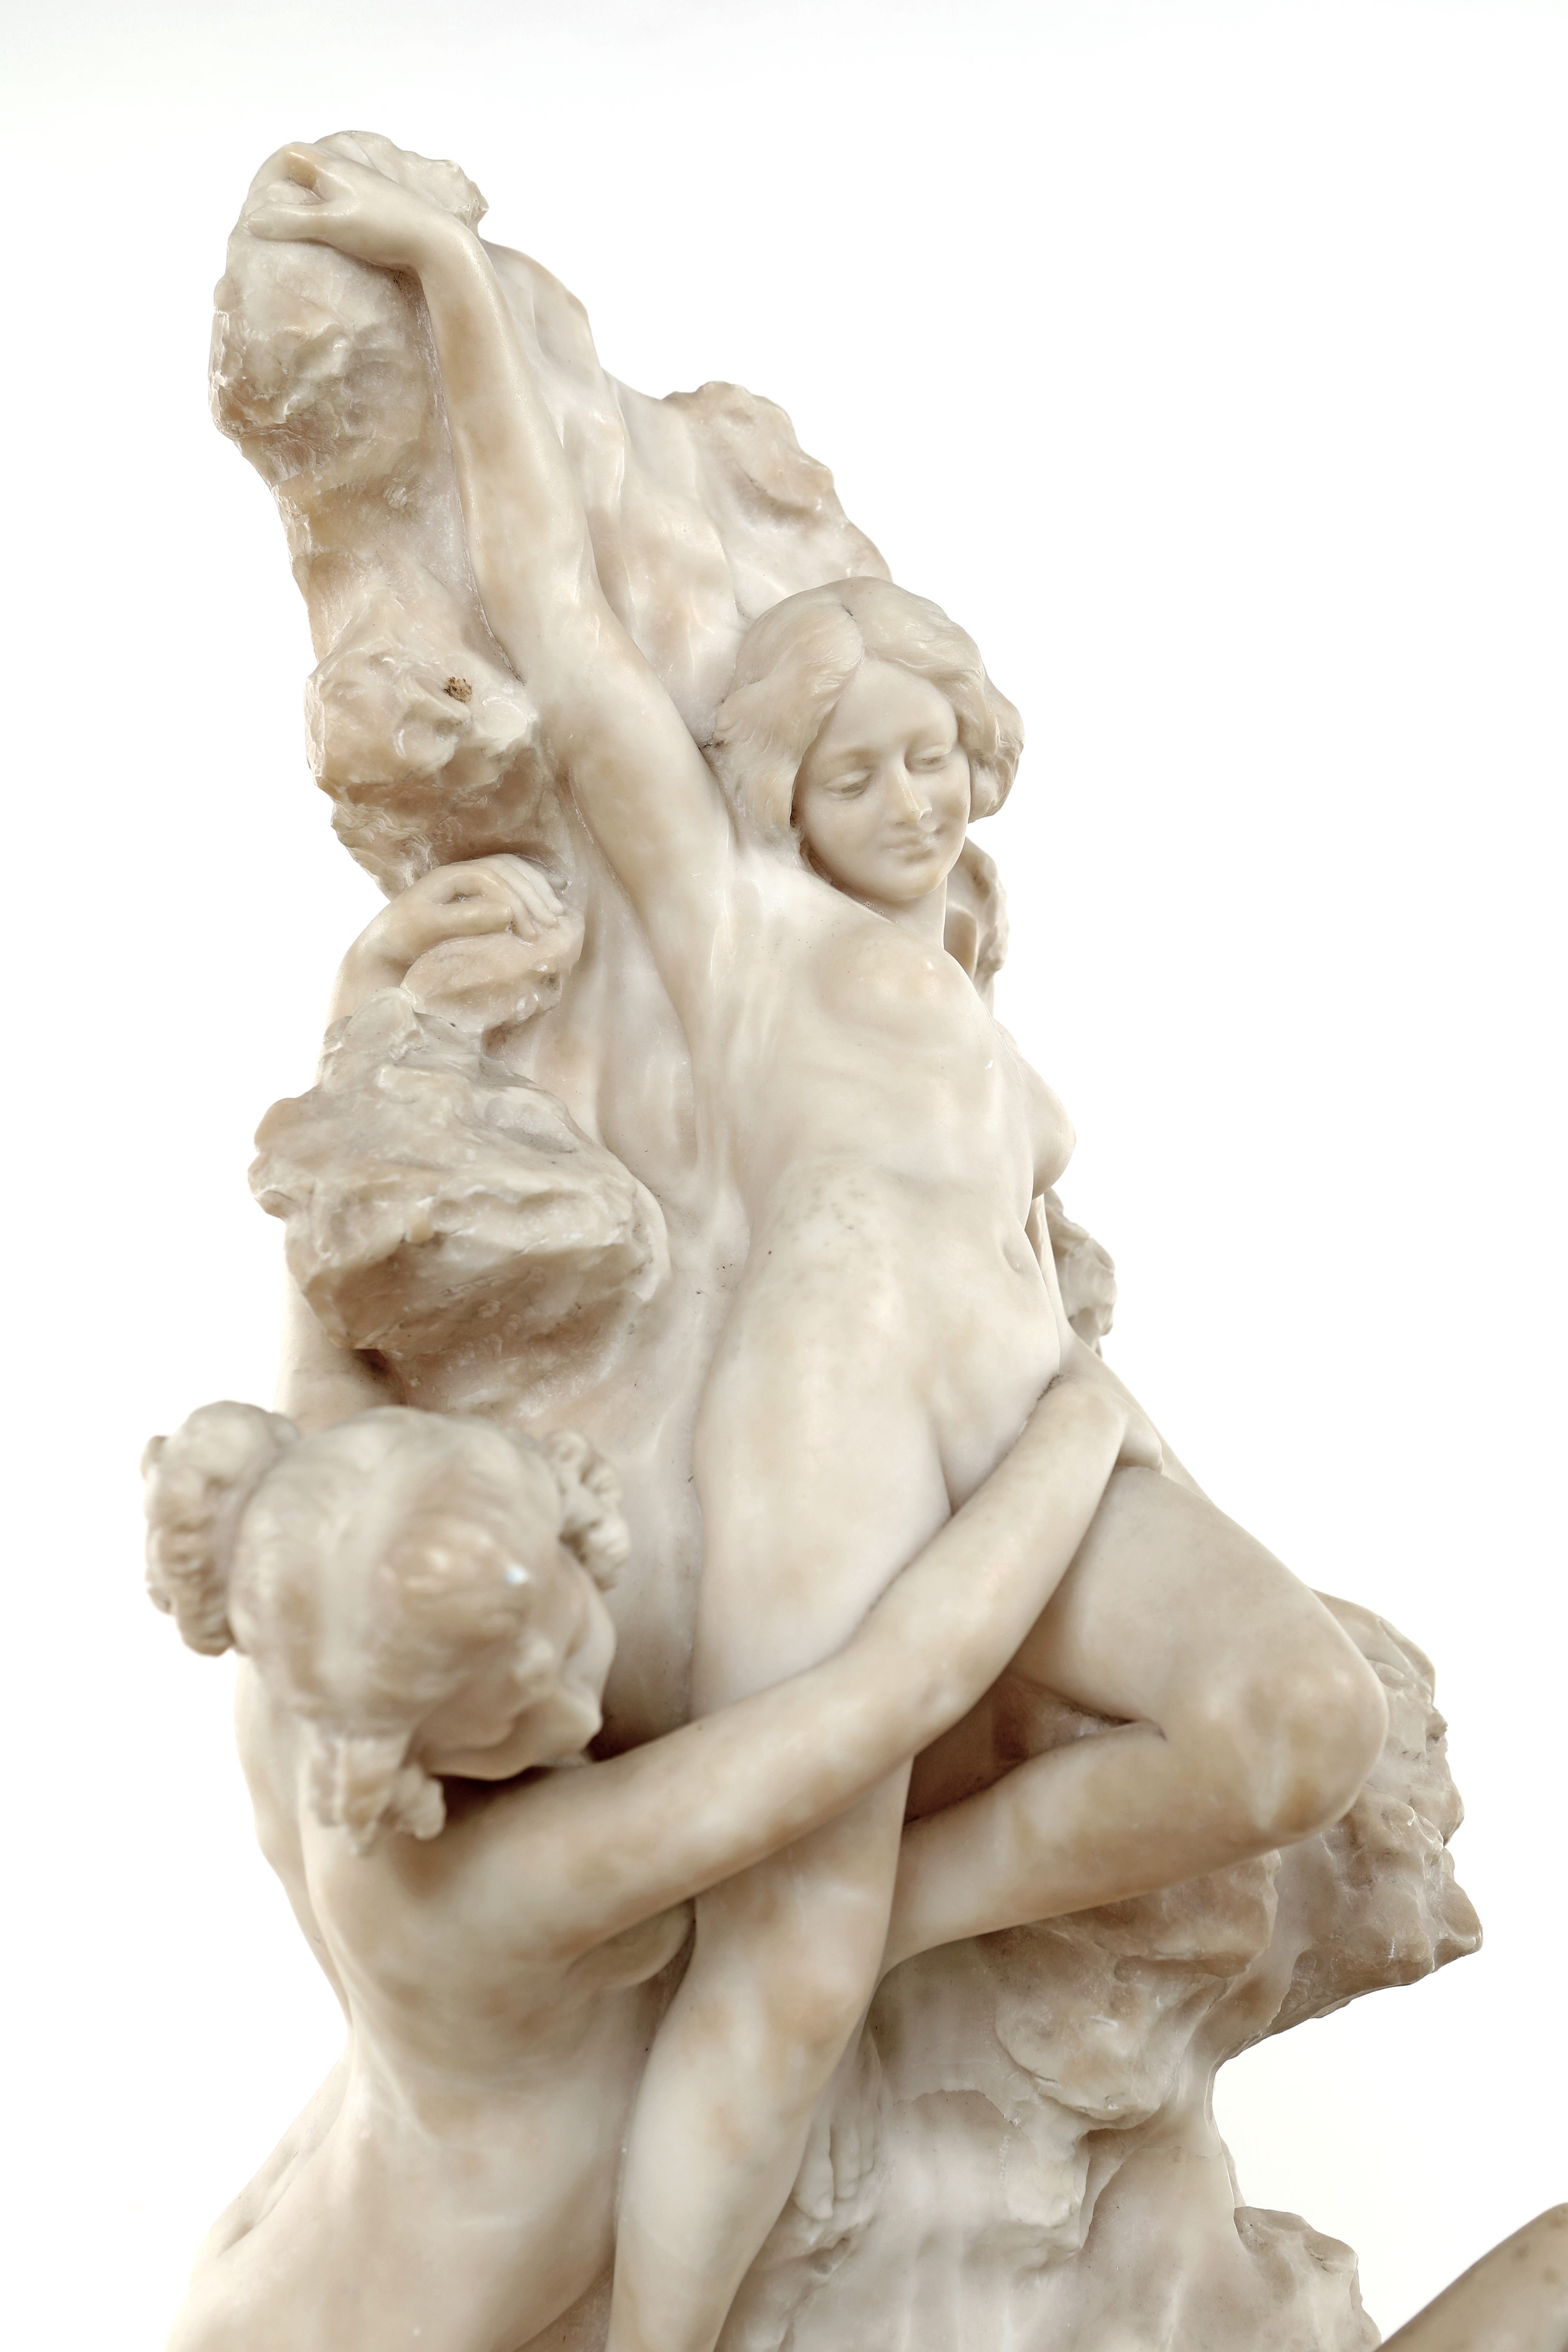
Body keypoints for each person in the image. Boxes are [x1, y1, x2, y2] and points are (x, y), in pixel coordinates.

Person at [246, 145, 1391, 2352]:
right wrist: (449, 282)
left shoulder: (963, 980)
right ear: (778, 786)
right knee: (774, 1978)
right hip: (833, 1404)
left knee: (1290, 1722)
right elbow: (566, 627)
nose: (910, 802)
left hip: (1034, 1412)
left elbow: (1024, 1249)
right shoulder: (739, 926)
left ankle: (897, 1929)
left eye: (935, 758)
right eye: (858, 770)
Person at [145, 1362, 1144, 2352]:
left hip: (319, 2221)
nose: (570, 1716)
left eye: (566, 1635)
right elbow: (900, 1687)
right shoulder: (515, 1872)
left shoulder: (313, 1616)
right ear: (387, 1744)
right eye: (501, 1725)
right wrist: (1081, 1423)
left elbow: (324, 1358)